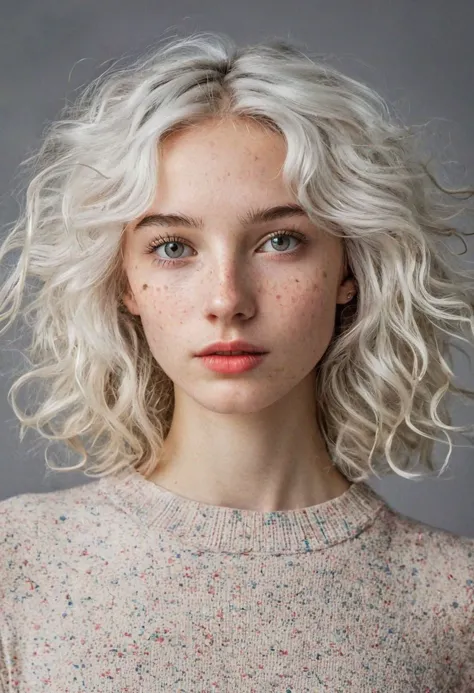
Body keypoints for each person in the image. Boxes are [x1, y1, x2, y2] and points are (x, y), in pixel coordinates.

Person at [0, 31, 473, 692]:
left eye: (281, 240)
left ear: (350, 268)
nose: (227, 299)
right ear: (124, 282)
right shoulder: (16, 563)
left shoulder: (456, 602)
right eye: (173, 246)